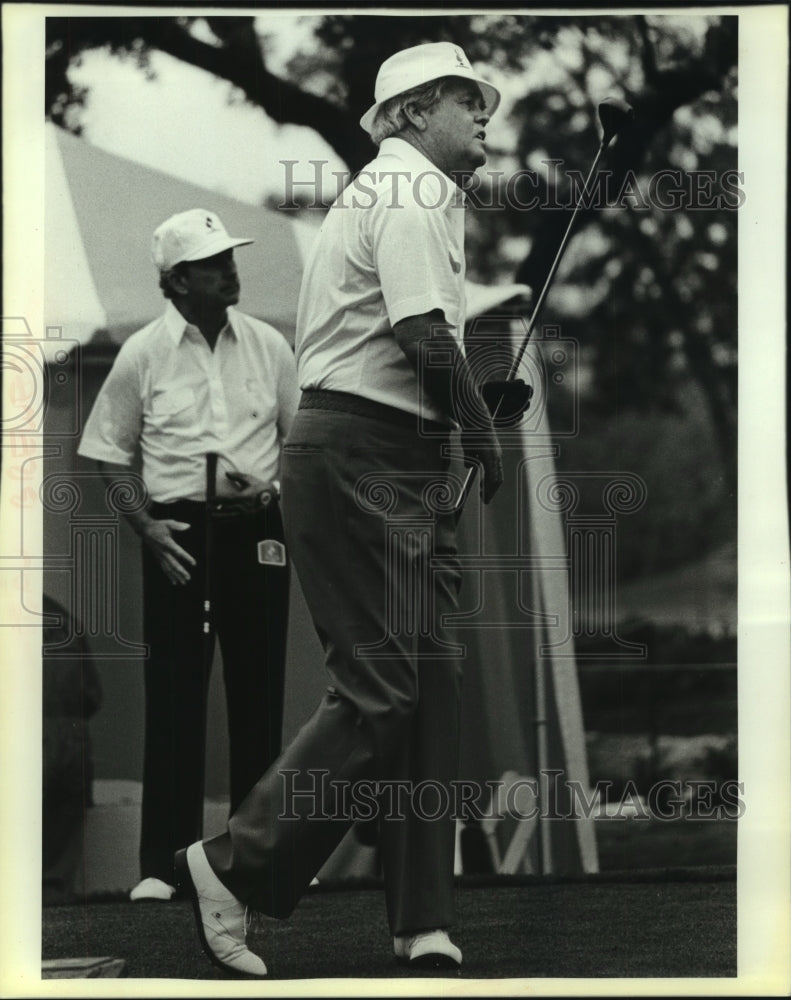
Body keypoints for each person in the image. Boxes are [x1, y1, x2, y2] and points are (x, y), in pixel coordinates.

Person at [175, 42, 532, 977]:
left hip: (398, 453)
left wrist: (458, 424)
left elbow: (421, 339)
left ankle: (422, 921)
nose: (483, 112)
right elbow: (421, 334)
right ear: (412, 113)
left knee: (429, 686)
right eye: (464, 97)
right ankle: (232, 862)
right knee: (384, 686)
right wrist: (481, 432)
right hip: (356, 453)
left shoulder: (416, 192)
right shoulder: (407, 188)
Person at [78, 209, 299, 901]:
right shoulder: (142, 352)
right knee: (175, 697)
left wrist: (281, 502)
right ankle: (164, 866)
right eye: (211, 263)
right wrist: (145, 527)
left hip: (257, 531)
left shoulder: (268, 344)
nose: (230, 270)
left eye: (229, 258)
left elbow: (300, 444)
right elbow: (107, 452)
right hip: (177, 535)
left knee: (259, 696)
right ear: (176, 281)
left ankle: (258, 860)